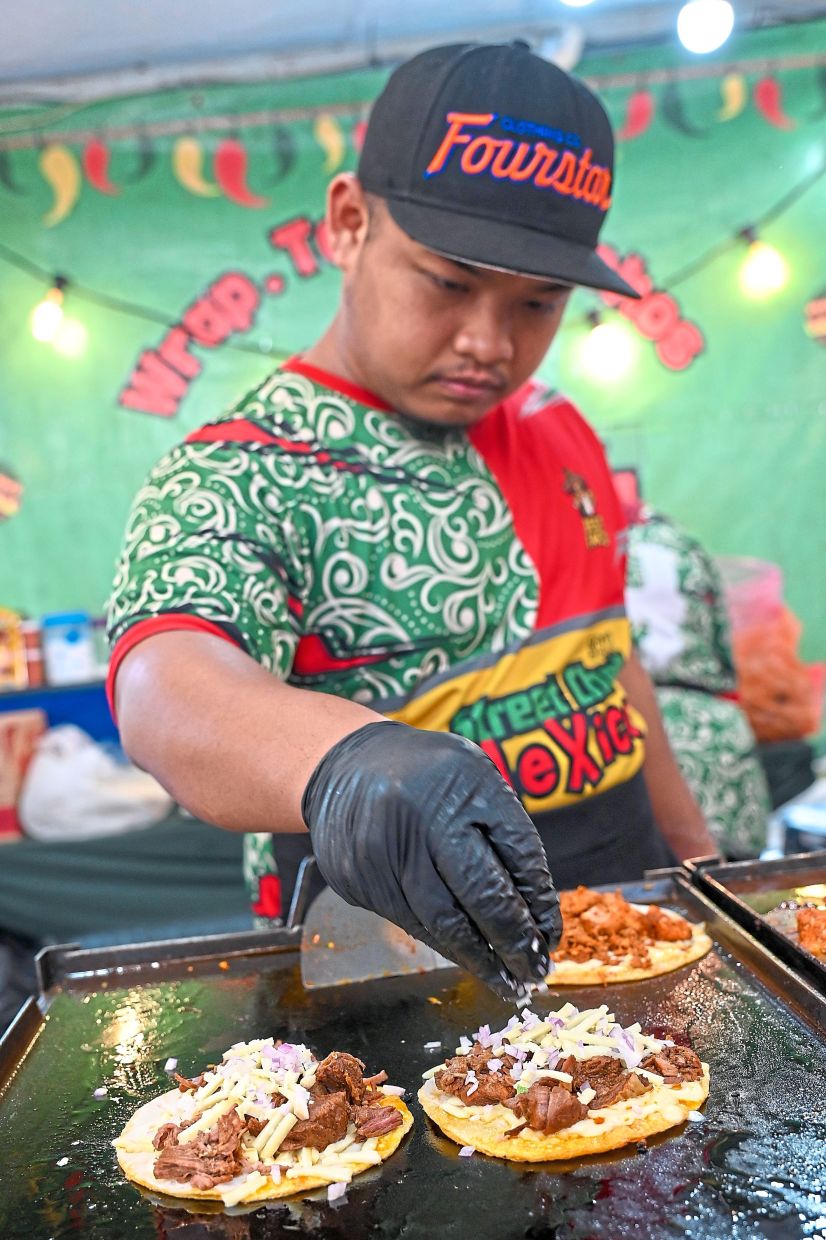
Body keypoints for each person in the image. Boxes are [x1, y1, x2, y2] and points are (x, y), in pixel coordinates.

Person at [107, 41, 716, 999]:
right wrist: (346, 761)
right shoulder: (241, 469)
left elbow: (612, 656)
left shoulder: (558, 430)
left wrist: (695, 861)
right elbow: (164, 686)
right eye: (447, 282)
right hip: (391, 983)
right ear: (349, 222)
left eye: (538, 302)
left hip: (627, 939)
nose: (489, 341)